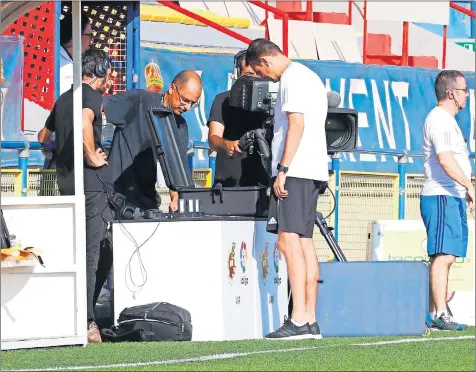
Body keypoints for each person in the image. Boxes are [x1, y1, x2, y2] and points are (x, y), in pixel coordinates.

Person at [246, 38, 328, 340]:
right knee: (304, 242)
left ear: (265, 61)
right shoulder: (311, 76)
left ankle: (298, 318)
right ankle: (310, 319)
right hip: (314, 168)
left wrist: (282, 169)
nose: (264, 77)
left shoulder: (291, 79)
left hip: (296, 170)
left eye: (259, 71)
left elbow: (296, 124)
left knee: (287, 242)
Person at [38, 49, 114, 343]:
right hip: (92, 186)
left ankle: (81, 315)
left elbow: (43, 137)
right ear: (101, 70)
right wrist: (91, 155)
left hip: (67, 185)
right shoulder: (90, 96)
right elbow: (85, 121)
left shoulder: (63, 98)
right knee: (94, 254)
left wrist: (65, 147)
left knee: (82, 252)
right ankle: (87, 321)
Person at [103, 71, 202, 212]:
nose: (187, 107)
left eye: (193, 103)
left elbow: (176, 171)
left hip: (147, 203)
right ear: (172, 88)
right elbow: (93, 108)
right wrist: (91, 150)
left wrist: (175, 198)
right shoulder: (139, 101)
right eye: (184, 100)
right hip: (115, 198)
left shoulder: (180, 126)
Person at [420, 70, 474, 331]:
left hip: (451, 195)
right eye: (464, 90)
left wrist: (463, 190)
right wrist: (468, 185)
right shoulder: (439, 119)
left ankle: (435, 311)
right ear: (451, 93)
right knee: (443, 255)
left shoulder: (449, 121)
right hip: (440, 194)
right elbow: (445, 159)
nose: (467, 95)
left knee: (448, 255)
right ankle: (439, 312)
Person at [207, 50, 271, 187]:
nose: (253, 80)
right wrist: (227, 145)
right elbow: (213, 139)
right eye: (248, 75)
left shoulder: (270, 103)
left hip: (261, 183)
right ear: (237, 74)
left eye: (257, 74)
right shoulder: (222, 100)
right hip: (228, 183)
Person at [43, 12, 93, 170]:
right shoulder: (63, 68)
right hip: (58, 146)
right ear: (75, 37)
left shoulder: (69, 62)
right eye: (89, 36)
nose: (91, 41)